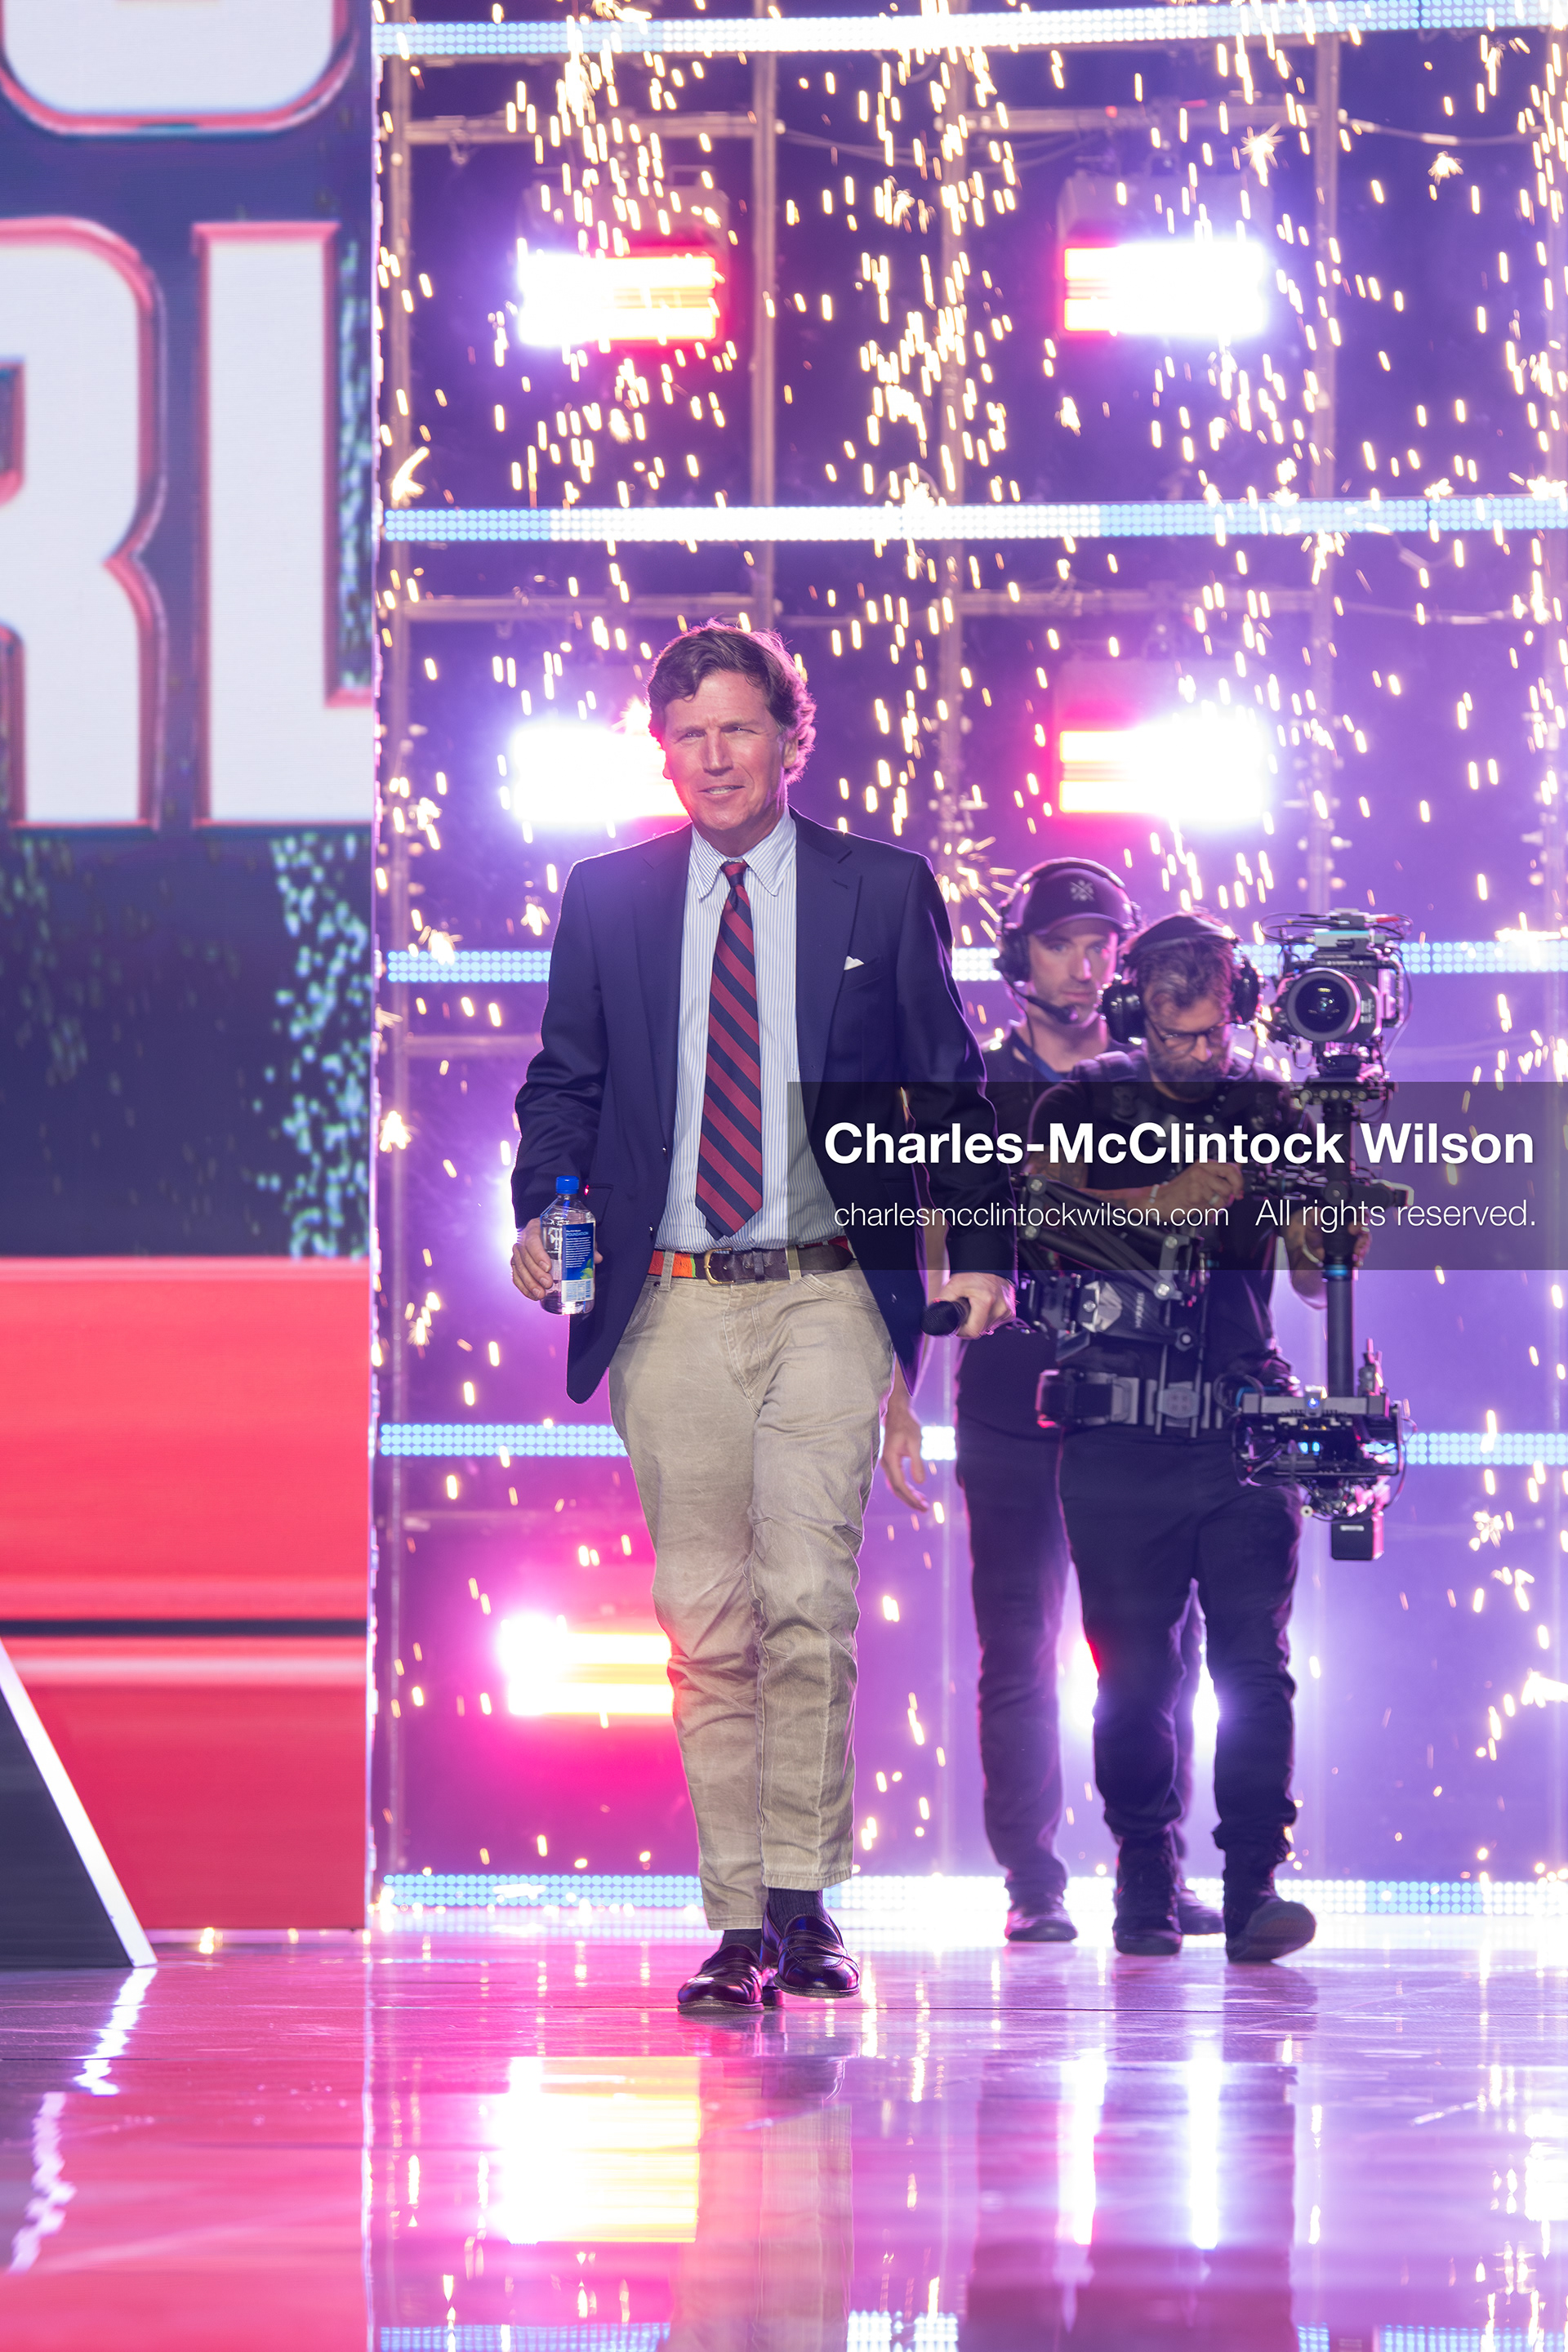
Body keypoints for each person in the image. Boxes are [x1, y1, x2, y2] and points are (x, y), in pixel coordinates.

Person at [510, 623, 1014, 2015]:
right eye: (690, 736)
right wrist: (547, 1211)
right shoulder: (607, 897)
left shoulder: (880, 889)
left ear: (792, 738)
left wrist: (981, 1252)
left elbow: (949, 1089)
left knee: (807, 1597)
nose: (715, 758)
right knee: (707, 1617)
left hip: (828, 1289)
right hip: (667, 1300)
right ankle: (735, 1924)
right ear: (662, 752)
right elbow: (564, 1086)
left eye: (739, 728)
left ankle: (803, 1903)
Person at [880, 859, 1221, 1945]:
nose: (1085, 963)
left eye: (1102, 943)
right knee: (1020, 1646)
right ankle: (1032, 1878)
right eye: (1062, 942)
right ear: (1017, 956)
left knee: (1160, 1649)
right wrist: (898, 1397)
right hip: (1012, 1398)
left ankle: (1155, 1868)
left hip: (1148, 1402)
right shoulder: (972, 1090)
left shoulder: (1168, 1081)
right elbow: (928, 1246)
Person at [1033, 912, 1323, 1963]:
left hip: (1241, 1434)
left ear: (1237, 1011)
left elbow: (1310, 1276)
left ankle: (1254, 1885)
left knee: (1256, 1671)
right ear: (1133, 1013)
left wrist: (1325, 1223)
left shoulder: (1273, 1107)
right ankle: (1144, 1874)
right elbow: (1036, 1228)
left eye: (1212, 1033)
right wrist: (1163, 1199)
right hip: (1116, 1441)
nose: (1198, 1053)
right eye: (1174, 1033)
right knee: (1132, 1681)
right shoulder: (1081, 1103)